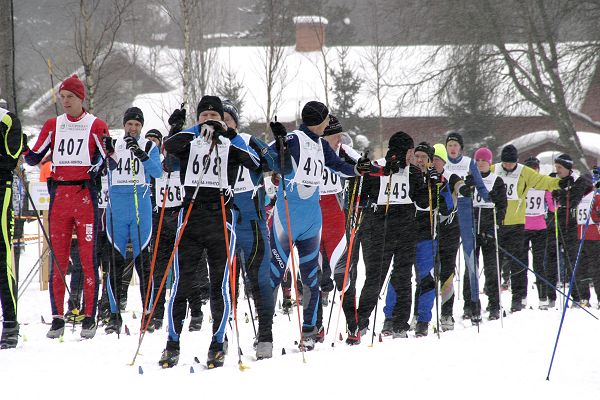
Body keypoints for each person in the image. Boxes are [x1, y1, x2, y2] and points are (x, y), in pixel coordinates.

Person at [159, 95, 260, 368]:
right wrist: (186, 131)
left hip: (220, 220)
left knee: (220, 287)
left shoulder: (229, 144)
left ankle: (217, 344)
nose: (209, 121)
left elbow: (255, 162)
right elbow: (168, 148)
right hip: (190, 218)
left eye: (213, 117)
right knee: (181, 284)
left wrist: (230, 134)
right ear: (198, 118)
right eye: (204, 117)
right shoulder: (189, 140)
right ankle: (171, 343)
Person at [268, 101, 373, 350]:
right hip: (299, 215)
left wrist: (361, 171)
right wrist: (279, 153)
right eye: (327, 126)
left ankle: (331, 327)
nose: (330, 135)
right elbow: (273, 165)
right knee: (293, 276)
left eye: (334, 133)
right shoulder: (301, 142)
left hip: (323, 218)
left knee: (327, 276)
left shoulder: (332, 148)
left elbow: (350, 167)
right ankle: (289, 330)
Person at [24, 75, 109, 339]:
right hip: (60, 195)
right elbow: (33, 158)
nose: (65, 102)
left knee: (87, 259)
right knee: (58, 259)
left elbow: (109, 161)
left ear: (80, 98)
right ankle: (57, 318)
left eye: (69, 97)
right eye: (62, 98)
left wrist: (99, 164)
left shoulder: (96, 125)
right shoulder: (53, 125)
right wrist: (19, 144)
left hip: (84, 196)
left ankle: (88, 316)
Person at [223, 99, 278, 359]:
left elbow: (276, 165)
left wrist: (279, 146)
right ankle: (220, 335)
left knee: (259, 281)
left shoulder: (247, 139)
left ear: (235, 121)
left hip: (251, 222)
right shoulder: (207, 145)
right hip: (223, 222)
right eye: (218, 118)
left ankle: (265, 335)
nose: (223, 123)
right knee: (223, 283)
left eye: (228, 118)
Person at [356, 131, 422, 339]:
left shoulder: (414, 172)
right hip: (379, 226)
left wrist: (432, 184)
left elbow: (424, 202)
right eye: (410, 151)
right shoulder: (377, 167)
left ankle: (400, 323)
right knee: (375, 277)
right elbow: (361, 197)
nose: (412, 155)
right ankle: (361, 321)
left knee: (403, 277)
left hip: (405, 228)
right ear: (404, 151)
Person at [102, 107, 162, 334]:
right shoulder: (115, 144)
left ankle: (148, 314)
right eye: (130, 124)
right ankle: (114, 315)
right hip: (117, 206)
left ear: (141, 127)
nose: (133, 128)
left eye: (137, 125)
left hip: (141, 207)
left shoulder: (149, 146)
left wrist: (142, 154)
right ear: (124, 124)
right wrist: (107, 154)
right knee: (115, 263)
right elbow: (106, 169)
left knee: (143, 262)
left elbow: (157, 173)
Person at [490, 145, 562, 311]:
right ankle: (500, 301)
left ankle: (529, 298)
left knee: (528, 264)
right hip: (503, 224)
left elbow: (545, 188)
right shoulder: (495, 170)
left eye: (511, 163)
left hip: (525, 226)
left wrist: (558, 185)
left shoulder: (527, 174)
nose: (508, 166)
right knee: (502, 264)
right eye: (506, 163)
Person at [318, 116, 362, 344]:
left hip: (336, 221)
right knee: (313, 275)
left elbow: (365, 168)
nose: (339, 142)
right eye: (335, 137)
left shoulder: (345, 153)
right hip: (313, 221)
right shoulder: (311, 150)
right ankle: (315, 326)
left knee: (343, 276)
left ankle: (353, 327)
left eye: (339, 137)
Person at [444, 132, 490, 321]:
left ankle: (473, 305)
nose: (452, 148)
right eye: (450, 145)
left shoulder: (469, 162)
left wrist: (490, 197)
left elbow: (479, 184)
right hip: (448, 212)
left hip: (465, 211)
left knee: (471, 260)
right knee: (449, 261)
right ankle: (446, 308)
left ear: (460, 148)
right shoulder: (442, 163)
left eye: (455, 145)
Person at [471, 147, 507, 321]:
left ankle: (494, 304)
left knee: (492, 269)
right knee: (471, 270)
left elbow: (502, 207)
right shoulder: (470, 180)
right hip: (472, 229)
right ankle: (471, 305)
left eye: (483, 161)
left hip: (489, 230)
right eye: (477, 161)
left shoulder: (496, 181)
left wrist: (495, 226)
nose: (480, 164)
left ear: (489, 162)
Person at [0, 106, 25, 349]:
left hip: (1, 191)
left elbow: (10, 157)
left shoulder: (7, 119)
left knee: (3, 258)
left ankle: (10, 322)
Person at [550, 153, 589, 305]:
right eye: (556, 167)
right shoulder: (554, 179)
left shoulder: (578, 180)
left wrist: (562, 193)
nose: (557, 170)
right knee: (554, 260)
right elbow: (552, 198)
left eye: (560, 167)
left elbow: (573, 200)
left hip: (573, 226)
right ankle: (552, 296)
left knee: (574, 261)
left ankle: (580, 296)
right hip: (557, 224)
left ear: (567, 168)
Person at [522, 157, 555, 309]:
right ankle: (521, 297)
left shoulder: (543, 185)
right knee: (522, 264)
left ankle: (543, 297)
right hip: (522, 227)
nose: (534, 172)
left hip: (539, 228)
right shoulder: (521, 184)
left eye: (535, 169)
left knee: (539, 264)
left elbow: (553, 207)